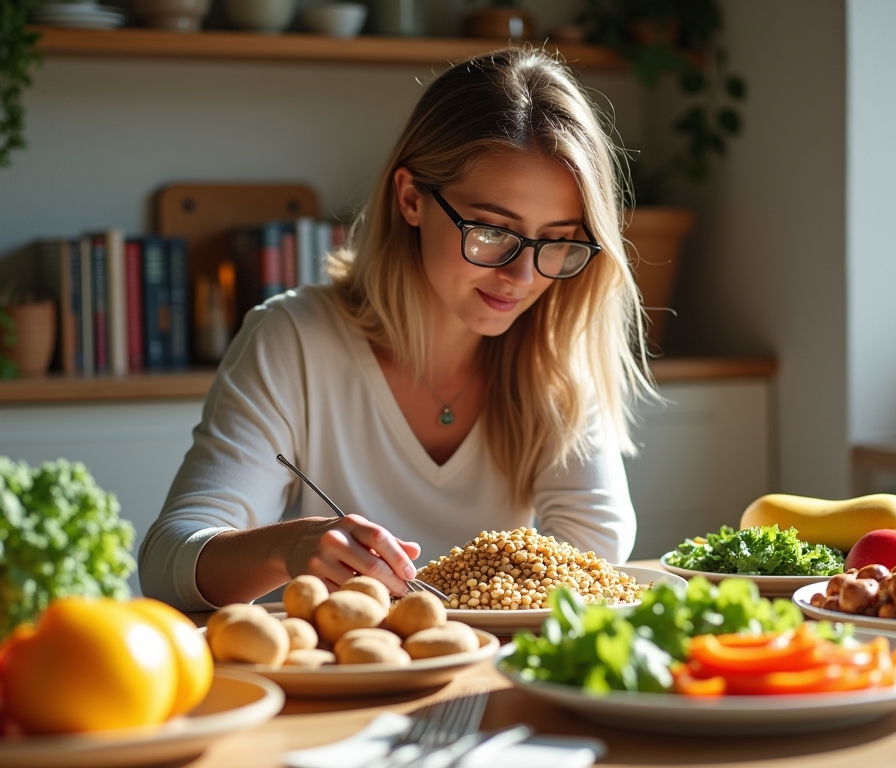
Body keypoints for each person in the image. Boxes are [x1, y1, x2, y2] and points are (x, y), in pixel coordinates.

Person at [139, 47, 656, 611]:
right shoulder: (294, 340)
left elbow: (594, 555)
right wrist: (289, 547)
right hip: (334, 679)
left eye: (558, 239)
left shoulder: (554, 351)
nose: (523, 275)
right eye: (490, 230)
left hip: (486, 680)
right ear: (411, 198)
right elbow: (168, 564)